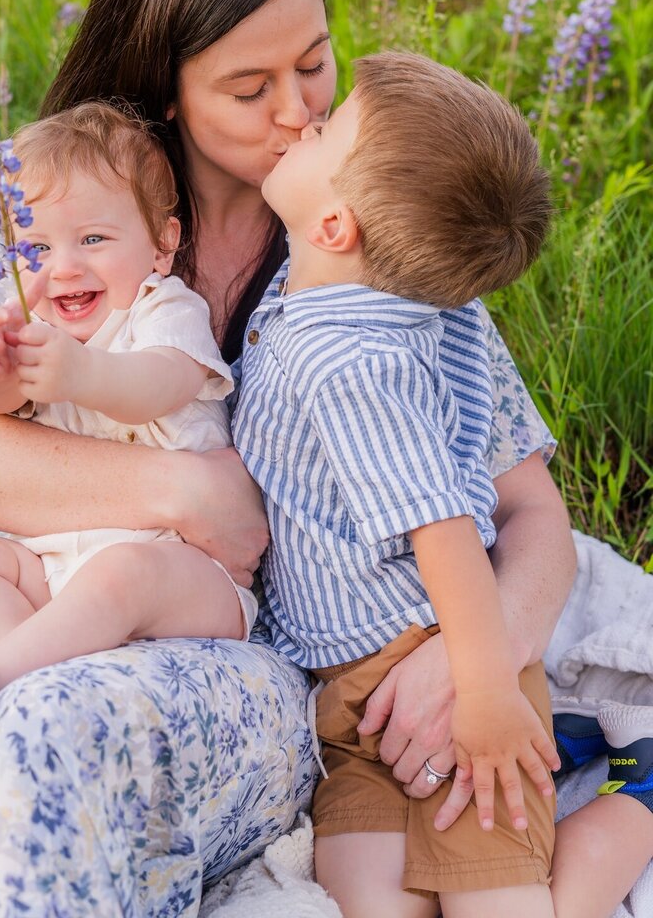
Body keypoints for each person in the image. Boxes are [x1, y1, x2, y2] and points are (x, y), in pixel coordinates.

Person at [0, 0, 589, 917]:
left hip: (226, 655)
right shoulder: (68, 203)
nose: (300, 111)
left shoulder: (370, 229)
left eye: (314, 62)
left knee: (46, 743)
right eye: (250, 88)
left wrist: (482, 660)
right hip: (26, 605)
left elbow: (531, 508)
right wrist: (191, 491)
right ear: (167, 93)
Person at [233, 50, 653, 918]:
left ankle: (633, 810)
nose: (302, 124)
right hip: (349, 698)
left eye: (324, 129)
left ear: (336, 226)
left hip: (449, 655)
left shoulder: (349, 357)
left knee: (508, 909)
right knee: (370, 904)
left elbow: (445, 530)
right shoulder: (391, 298)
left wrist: (491, 696)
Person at [0, 103, 258, 746]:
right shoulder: (44, 332)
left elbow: (157, 385)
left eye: (93, 239)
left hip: (181, 574)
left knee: (121, 573)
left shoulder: (166, 309)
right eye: (37, 248)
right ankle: (38, 681)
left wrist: (79, 374)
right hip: (56, 569)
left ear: (162, 244)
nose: (63, 267)